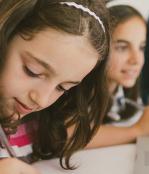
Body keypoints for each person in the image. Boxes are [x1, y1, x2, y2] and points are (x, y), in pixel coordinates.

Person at [0, 0, 110, 173]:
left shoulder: (36, 123)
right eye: (32, 71)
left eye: (62, 88)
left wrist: (137, 130)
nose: (42, 100)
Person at [87, 5, 149, 148]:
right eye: (122, 47)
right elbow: (67, 135)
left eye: (141, 47)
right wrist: (138, 130)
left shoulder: (124, 92)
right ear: (99, 47)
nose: (136, 60)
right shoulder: (81, 88)